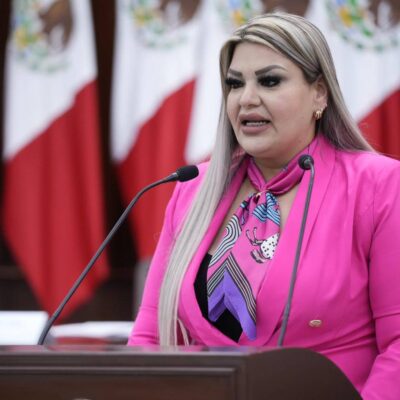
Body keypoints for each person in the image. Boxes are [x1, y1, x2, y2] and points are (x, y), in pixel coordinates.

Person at [128, 12, 400, 399]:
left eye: (269, 81)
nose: (247, 98)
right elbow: (150, 336)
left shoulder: (380, 186)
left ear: (319, 93)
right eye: (234, 84)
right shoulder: (192, 189)